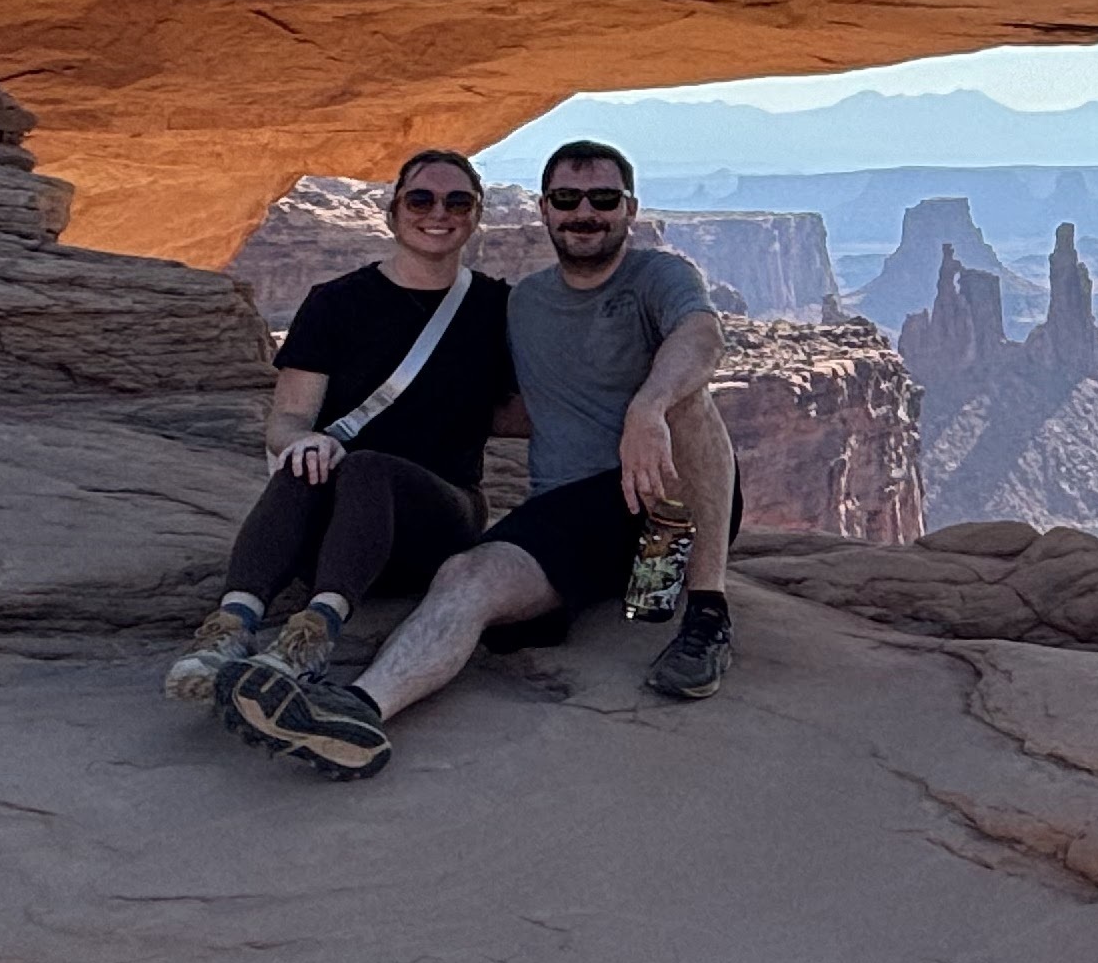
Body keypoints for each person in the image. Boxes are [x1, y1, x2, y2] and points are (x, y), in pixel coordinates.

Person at [222, 136, 739, 781]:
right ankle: (354, 713)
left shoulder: (659, 274)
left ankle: (708, 617)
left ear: (629, 209)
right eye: (567, 199)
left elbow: (701, 335)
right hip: (573, 517)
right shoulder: (520, 304)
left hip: (665, 499)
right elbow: (482, 397)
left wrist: (648, 407)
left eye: (604, 199)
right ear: (545, 212)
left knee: (689, 401)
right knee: (468, 577)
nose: (586, 212)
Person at [165, 149, 523, 706]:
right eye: (421, 198)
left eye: (458, 201)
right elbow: (287, 421)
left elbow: (525, 409)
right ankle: (230, 629)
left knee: (364, 466)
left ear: (475, 216)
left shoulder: (498, 308)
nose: (439, 212)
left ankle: (312, 637)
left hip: (439, 520)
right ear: (392, 211)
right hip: (340, 534)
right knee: (309, 462)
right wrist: (301, 443)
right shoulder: (336, 304)